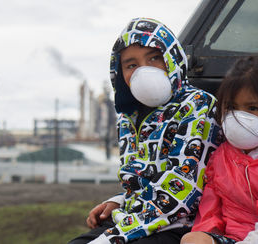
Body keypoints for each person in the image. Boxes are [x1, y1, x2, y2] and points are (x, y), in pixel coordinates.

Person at [69, 18, 223, 244]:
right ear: (119, 73)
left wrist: (112, 239)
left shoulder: (199, 106)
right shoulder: (128, 117)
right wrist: (121, 201)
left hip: (181, 225)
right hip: (134, 221)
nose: (144, 70)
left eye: (154, 58)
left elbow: (183, 192)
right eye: (131, 65)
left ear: (173, 58)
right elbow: (142, 178)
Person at [180, 57, 258, 244]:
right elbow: (209, 213)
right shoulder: (222, 156)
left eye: (252, 108)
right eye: (231, 107)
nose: (239, 117)